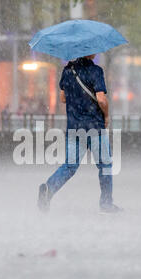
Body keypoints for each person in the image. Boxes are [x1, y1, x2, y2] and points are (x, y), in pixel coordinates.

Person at [38, 54, 122, 214]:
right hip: (94, 126)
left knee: (70, 166)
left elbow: (63, 97)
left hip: (74, 127)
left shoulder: (68, 70)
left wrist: (77, 98)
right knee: (105, 165)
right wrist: (107, 115)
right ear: (89, 52)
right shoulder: (95, 71)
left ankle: (48, 188)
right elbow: (102, 99)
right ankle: (106, 204)